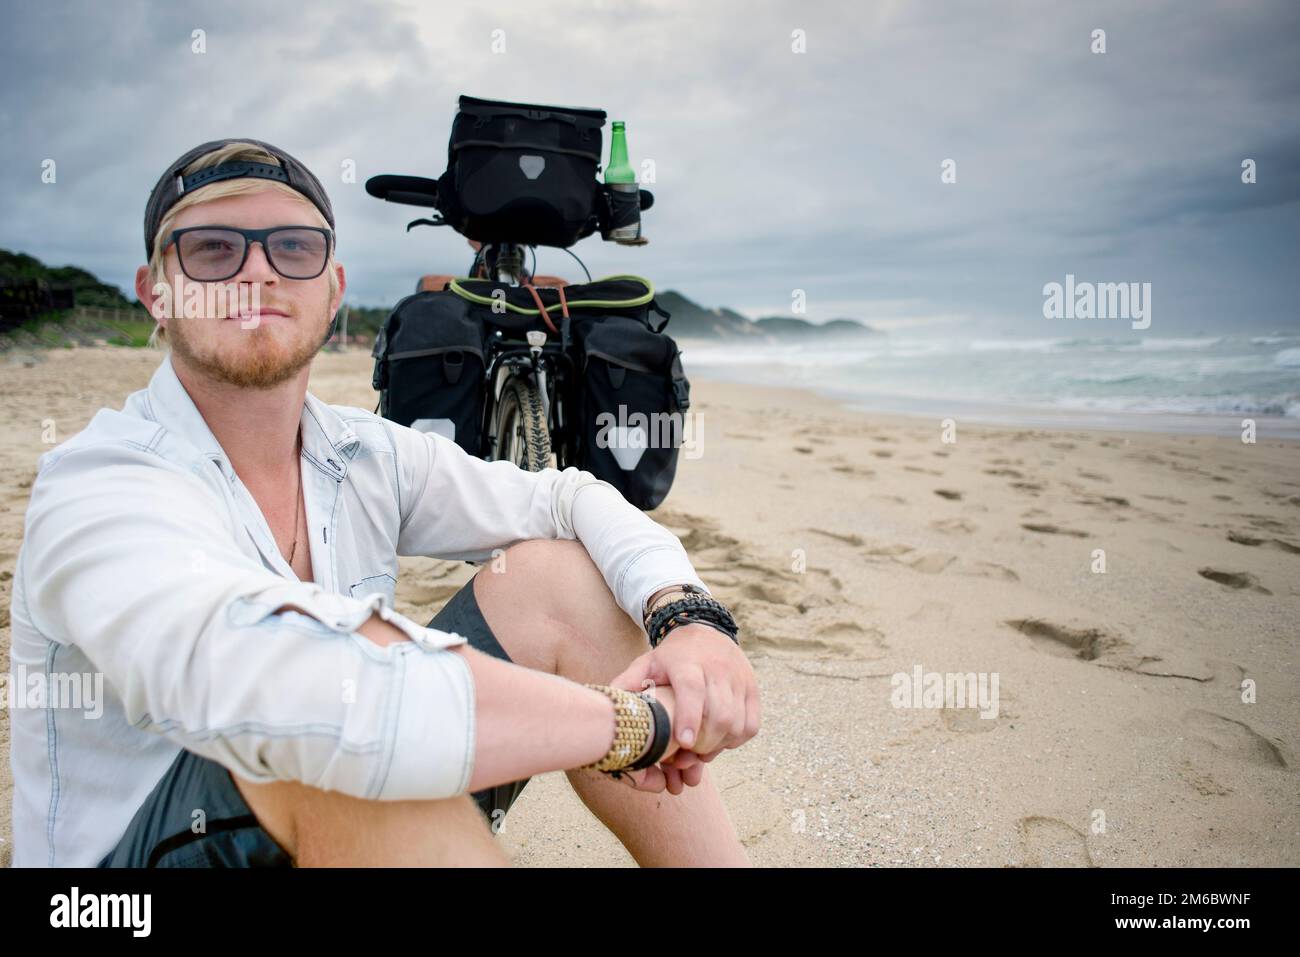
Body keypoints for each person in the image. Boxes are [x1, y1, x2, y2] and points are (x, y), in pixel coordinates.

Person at [7, 138, 758, 867]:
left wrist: (687, 618)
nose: (257, 272)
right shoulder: (100, 480)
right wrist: (631, 724)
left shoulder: (364, 451)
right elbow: (278, 684)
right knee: (335, 749)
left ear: (333, 290)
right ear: (155, 294)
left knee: (557, 577)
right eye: (212, 249)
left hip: (347, 819)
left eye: (292, 248)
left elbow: (568, 495)